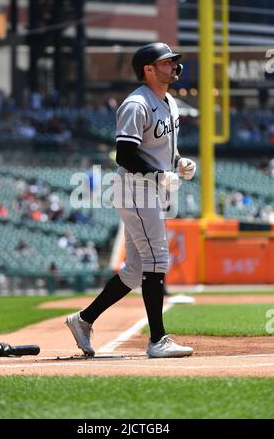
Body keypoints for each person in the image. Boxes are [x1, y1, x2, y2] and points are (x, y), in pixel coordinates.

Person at [66, 42, 196, 358]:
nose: (174, 66)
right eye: (166, 62)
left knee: (136, 269)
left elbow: (163, 149)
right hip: (135, 188)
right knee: (157, 260)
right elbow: (125, 154)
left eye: (174, 62)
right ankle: (158, 341)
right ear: (148, 69)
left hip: (149, 187)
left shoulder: (169, 103)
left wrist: (179, 162)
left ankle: (83, 320)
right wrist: (157, 174)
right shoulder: (137, 104)